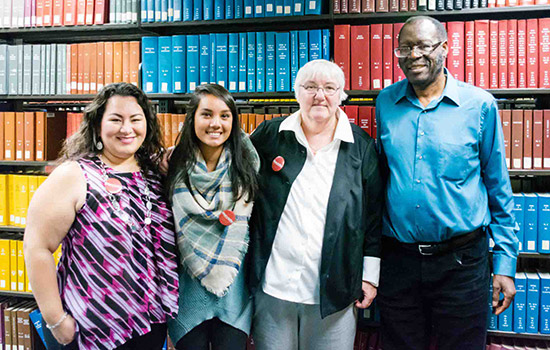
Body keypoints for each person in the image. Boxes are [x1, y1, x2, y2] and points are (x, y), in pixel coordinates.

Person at [375, 16, 519, 350]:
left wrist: (506, 263)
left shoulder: (479, 105)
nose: (413, 55)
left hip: (462, 264)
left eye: (423, 46)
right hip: (399, 263)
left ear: (444, 48)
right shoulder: (385, 102)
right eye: (405, 47)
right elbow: (380, 177)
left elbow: (498, 186)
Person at [23, 82, 179, 350]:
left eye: (135, 119)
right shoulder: (74, 175)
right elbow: (37, 247)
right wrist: (56, 320)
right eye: (116, 119)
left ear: (147, 125)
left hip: (149, 325)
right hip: (88, 328)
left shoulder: (155, 173)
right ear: (97, 125)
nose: (126, 128)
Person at [248, 59, 384, 350]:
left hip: (335, 289)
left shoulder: (361, 146)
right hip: (273, 286)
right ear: (296, 92)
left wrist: (369, 278)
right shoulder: (269, 136)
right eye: (310, 87)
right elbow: (229, 167)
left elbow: (373, 216)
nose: (319, 95)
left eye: (329, 88)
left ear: (341, 95)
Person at [165, 83, 259, 350]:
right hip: (186, 296)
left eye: (224, 115)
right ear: (192, 118)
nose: (215, 123)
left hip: (235, 298)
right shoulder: (171, 166)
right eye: (206, 114)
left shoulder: (250, 164)